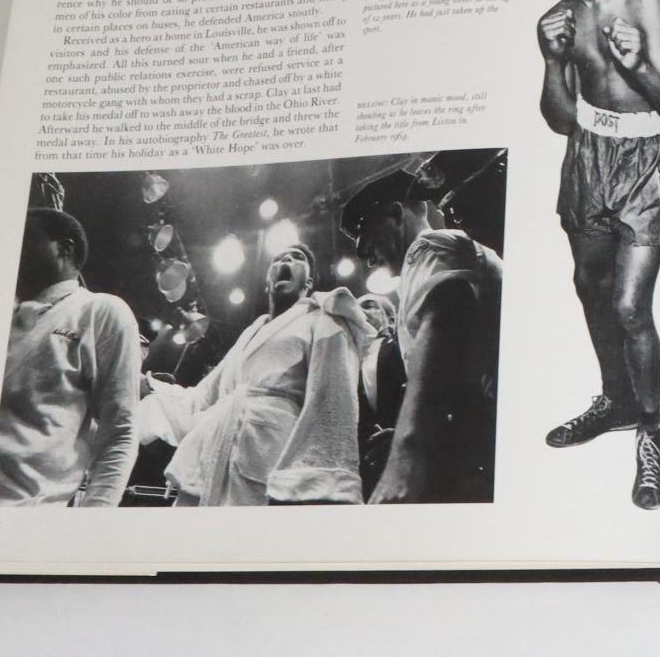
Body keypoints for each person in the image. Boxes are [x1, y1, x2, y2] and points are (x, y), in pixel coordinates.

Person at [527, 0, 660, 510]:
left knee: (629, 305)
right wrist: (551, 61)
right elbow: (561, 120)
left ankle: (651, 432)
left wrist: (637, 65)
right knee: (589, 285)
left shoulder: (643, 3)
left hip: (645, 160)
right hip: (587, 155)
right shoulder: (557, 18)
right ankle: (616, 400)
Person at [142, 244, 372, 505]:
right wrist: (150, 385)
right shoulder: (250, 333)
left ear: (308, 282)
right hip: (213, 450)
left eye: (296, 258)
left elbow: (332, 399)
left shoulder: (324, 318)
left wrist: (316, 482)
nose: (286, 260)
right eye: (279, 258)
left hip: (269, 454)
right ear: (267, 282)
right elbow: (203, 396)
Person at [344, 170, 503, 504]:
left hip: (485, 440)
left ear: (395, 214)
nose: (368, 260)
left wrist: (406, 456)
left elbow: (447, 317)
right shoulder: (440, 252)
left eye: (366, 243)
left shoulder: (426, 247)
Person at [0, 208, 140, 506]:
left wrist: (93, 518)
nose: (11, 246)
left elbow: (120, 432)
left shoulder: (100, 311)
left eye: (24, 238)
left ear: (64, 248)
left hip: (28, 511)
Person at [356, 292, 405, 499]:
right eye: (356, 308)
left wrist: (401, 434)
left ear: (391, 319)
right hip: (363, 460)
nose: (360, 312)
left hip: (399, 449)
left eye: (369, 306)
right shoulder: (348, 357)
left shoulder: (401, 347)